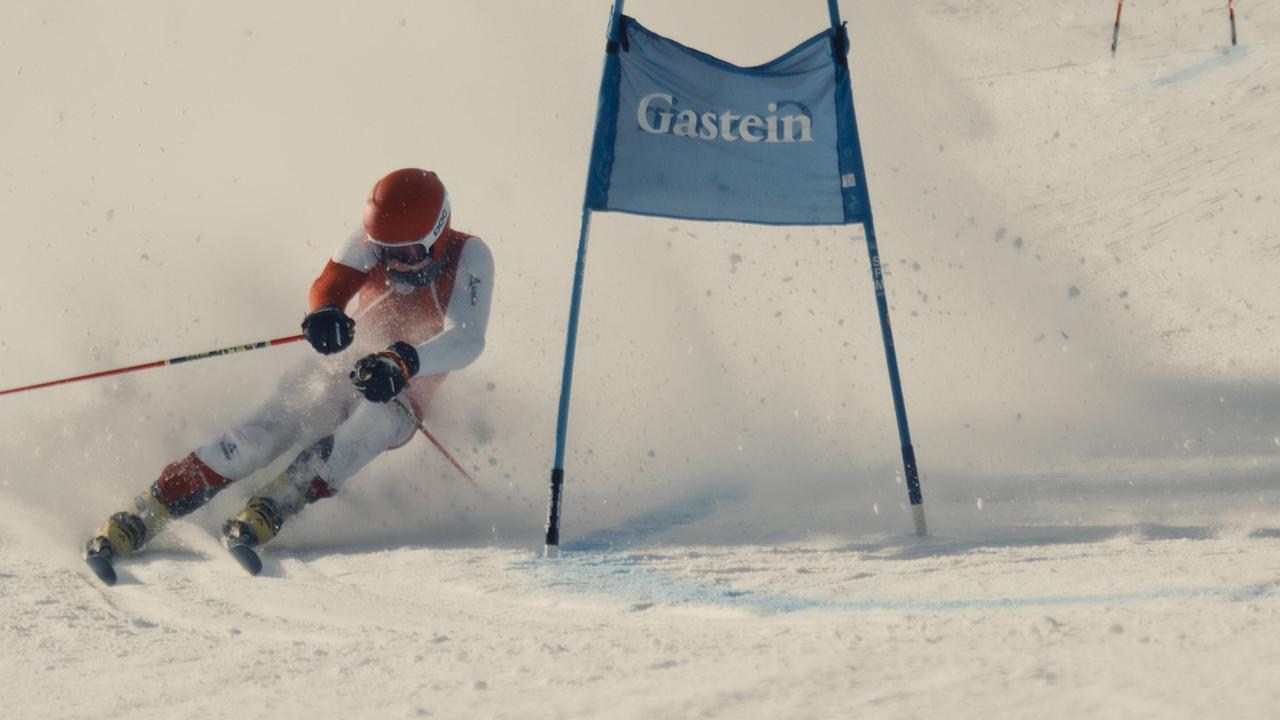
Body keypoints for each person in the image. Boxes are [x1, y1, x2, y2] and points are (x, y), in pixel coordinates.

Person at [84, 168, 494, 568]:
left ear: (438, 236)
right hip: (354, 360)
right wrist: (326, 312)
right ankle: (147, 510)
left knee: (370, 425)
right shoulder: (374, 237)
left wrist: (405, 361)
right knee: (269, 427)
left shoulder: (470, 255)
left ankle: (272, 506)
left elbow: (467, 339)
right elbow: (331, 279)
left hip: (408, 388)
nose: (397, 266)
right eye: (386, 255)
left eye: (408, 255)